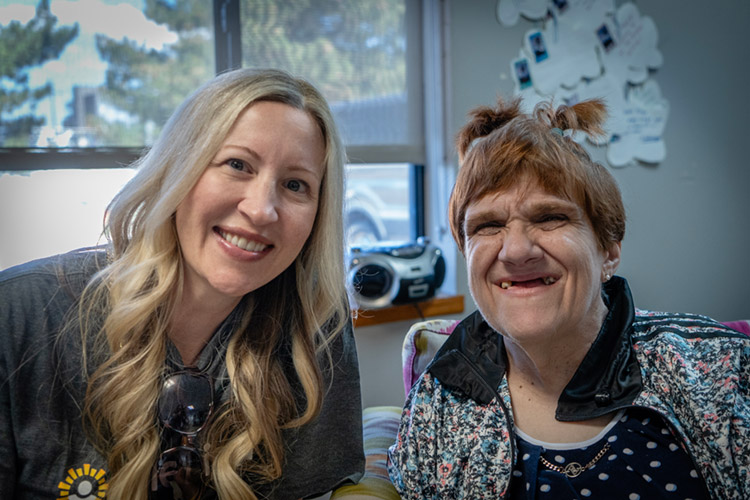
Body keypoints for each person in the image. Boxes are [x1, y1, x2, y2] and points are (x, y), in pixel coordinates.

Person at [0, 68, 365, 499]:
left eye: (294, 184)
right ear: (179, 169)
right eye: (237, 165)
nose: (263, 209)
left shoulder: (316, 327)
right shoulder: (21, 314)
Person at [387, 97, 749, 499]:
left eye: (549, 218)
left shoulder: (722, 372)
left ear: (608, 248)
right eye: (488, 225)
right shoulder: (437, 403)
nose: (515, 251)